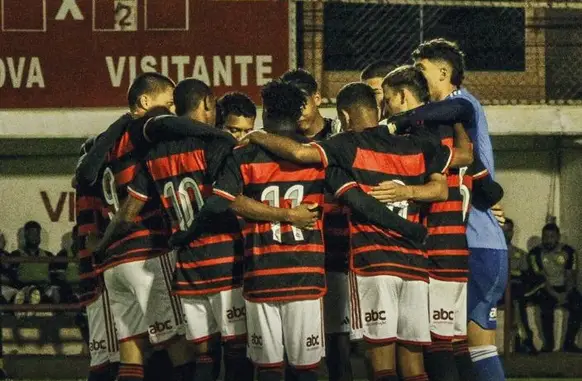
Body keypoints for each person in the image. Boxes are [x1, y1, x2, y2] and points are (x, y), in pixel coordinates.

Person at [245, 81, 459, 381]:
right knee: (414, 366)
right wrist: (409, 192)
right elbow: (442, 187)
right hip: (415, 264)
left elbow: (300, 153)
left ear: (345, 117)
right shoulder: (417, 144)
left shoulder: (348, 145)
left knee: (381, 363)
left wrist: (256, 135)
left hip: (375, 263)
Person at [376, 38, 510, 381]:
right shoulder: (438, 125)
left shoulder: (459, 104)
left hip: (476, 242)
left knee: (472, 345)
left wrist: (394, 123)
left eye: (422, 70)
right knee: (453, 344)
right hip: (467, 239)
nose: (418, 78)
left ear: (443, 71)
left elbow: (457, 115)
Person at [81, 73, 190, 381]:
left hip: (115, 264)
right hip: (146, 252)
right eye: (168, 103)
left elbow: (85, 175)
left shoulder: (108, 142)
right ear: (145, 102)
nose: (172, 110)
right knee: (177, 342)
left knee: (132, 348)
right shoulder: (144, 131)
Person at [282, 68, 353, 381]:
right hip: (295, 257)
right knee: (293, 348)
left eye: (301, 103)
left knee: (338, 343)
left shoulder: (342, 135)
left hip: (337, 254)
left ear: (317, 98)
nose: (297, 112)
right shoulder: (283, 142)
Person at [74, 137, 120, 381]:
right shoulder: (92, 188)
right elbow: (93, 238)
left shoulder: (85, 188)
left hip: (92, 276)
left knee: (106, 353)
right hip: (97, 277)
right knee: (107, 356)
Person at [529, 223, 582, 353]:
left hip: (565, 287)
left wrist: (565, 293)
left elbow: (571, 275)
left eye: (552, 236)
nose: (548, 240)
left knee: (578, 303)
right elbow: (541, 278)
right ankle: (549, 344)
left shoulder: (569, 251)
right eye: (545, 237)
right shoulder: (535, 254)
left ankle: (569, 343)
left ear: (558, 237)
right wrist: (555, 294)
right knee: (545, 305)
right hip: (545, 288)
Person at [502, 218, 537, 354]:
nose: (506, 234)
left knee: (517, 298)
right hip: (497, 292)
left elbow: (525, 275)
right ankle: (523, 339)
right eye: (503, 230)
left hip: (514, 293)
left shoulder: (520, 254)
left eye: (509, 230)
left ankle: (522, 339)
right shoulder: (492, 252)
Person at [280, 69, 340, 139]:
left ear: (317, 99)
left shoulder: (337, 132)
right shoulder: (284, 140)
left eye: (300, 104)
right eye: (289, 106)